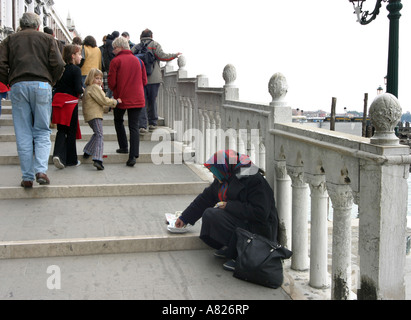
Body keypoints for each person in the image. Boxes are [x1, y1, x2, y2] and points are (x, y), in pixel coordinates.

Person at [175, 150, 279, 271]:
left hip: (259, 230)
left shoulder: (253, 178)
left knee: (213, 215)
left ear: (223, 167)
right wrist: (184, 218)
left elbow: (261, 212)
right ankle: (232, 248)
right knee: (210, 215)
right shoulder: (226, 178)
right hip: (244, 223)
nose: (214, 176)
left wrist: (229, 206)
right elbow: (205, 199)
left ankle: (242, 254)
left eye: (214, 172)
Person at [0, 12, 65, 188]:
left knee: (23, 132)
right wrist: (51, 80)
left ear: (21, 25)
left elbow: (1, 64)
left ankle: (27, 176)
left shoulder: (9, 40)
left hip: (19, 85)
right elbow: (59, 64)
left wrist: (9, 81)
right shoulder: (47, 39)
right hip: (42, 85)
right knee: (42, 131)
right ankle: (41, 170)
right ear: (37, 25)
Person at [131, 29, 181, 134]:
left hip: (140, 79)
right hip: (154, 79)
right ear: (151, 35)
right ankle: (153, 123)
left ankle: (142, 126)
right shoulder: (154, 45)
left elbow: (131, 58)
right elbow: (162, 56)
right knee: (152, 101)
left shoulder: (137, 46)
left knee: (142, 102)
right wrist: (175, 55)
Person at [108, 36, 147, 167]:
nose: (113, 51)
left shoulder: (115, 61)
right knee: (134, 126)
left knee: (118, 120)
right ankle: (133, 155)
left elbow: (111, 83)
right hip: (137, 97)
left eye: (114, 48)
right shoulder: (139, 61)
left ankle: (123, 146)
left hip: (121, 98)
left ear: (120, 47)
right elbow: (144, 81)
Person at [52, 44, 84, 169]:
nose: (81, 57)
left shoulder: (61, 69)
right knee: (71, 131)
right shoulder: (76, 70)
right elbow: (77, 88)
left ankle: (58, 154)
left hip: (58, 101)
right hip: (70, 103)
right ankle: (71, 160)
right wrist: (82, 90)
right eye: (79, 54)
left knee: (61, 129)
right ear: (73, 56)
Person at [82, 68, 121, 170]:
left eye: (100, 78)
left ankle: (87, 151)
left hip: (91, 115)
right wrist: (115, 102)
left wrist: (107, 108)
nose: (99, 81)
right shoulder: (94, 88)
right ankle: (97, 159)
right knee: (100, 135)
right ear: (91, 79)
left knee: (97, 133)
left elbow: (98, 103)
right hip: (95, 115)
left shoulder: (88, 88)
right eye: (96, 78)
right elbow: (103, 100)